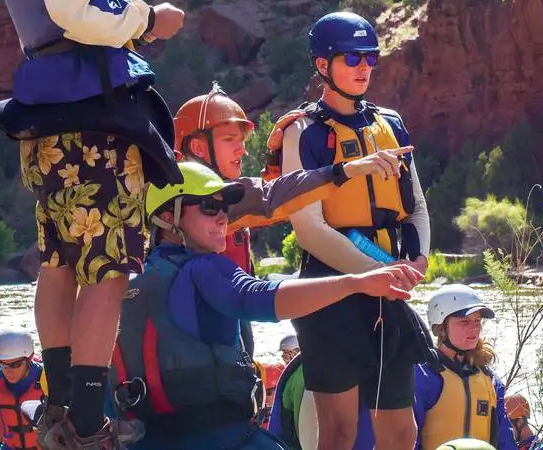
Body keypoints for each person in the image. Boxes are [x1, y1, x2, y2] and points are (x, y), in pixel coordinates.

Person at [0, 0, 186, 450]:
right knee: (106, 268)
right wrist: (146, 19)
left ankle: (61, 411)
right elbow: (75, 12)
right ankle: (85, 421)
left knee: (61, 262)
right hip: (90, 124)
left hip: (57, 121)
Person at [109, 162, 424, 450]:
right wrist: (356, 283)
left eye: (225, 207)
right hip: (223, 440)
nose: (223, 216)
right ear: (167, 217)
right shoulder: (204, 269)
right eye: (208, 206)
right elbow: (256, 297)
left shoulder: (125, 284)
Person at [269, 11, 432, 450]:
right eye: (352, 58)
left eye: (371, 58)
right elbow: (309, 230)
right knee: (338, 432)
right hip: (330, 294)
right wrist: (373, 276)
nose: (364, 68)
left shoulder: (390, 124)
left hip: (389, 289)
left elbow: (415, 207)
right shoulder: (302, 132)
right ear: (323, 65)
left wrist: (416, 261)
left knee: (401, 431)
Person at [173, 83, 410, 357]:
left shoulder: (218, 195)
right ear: (199, 147)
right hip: (199, 337)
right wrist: (346, 170)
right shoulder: (190, 197)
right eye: (230, 140)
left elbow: (269, 199)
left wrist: (276, 162)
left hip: (228, 325)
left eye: (242, 142)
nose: (242, 151)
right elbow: (270, 200)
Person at [413, 285, 516, 450]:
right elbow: (407, 439)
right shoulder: (424, 376)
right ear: (441, 328)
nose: (474, 327)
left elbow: (505, 439)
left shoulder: (489, 380)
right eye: (464, 322)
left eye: (477, 321)